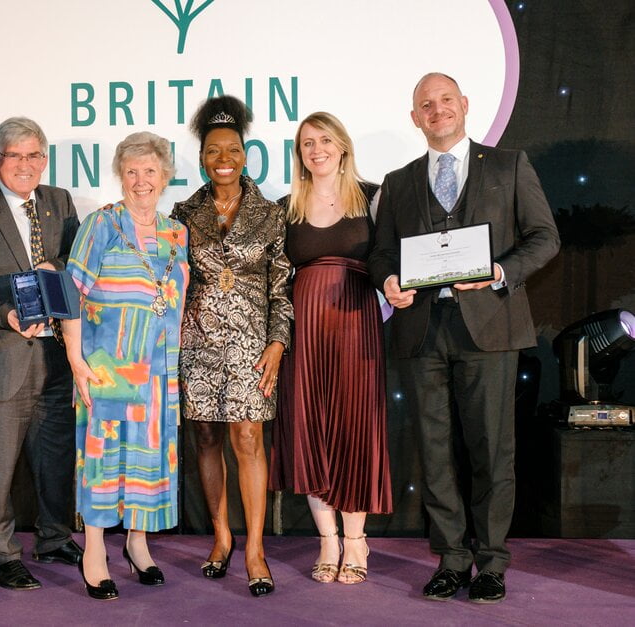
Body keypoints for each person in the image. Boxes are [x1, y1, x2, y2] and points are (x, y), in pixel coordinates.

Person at [368, 72, 560, 604]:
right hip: (423, 332)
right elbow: (382, 254)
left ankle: (493, 562)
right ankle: (451, 559)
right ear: (415, 118)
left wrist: (499, 270)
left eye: (445, 100)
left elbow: (545, 238)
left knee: (492, 451)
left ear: (465, 104)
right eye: (425, 105)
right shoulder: (399, 181)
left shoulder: (509, 165)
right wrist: (387, 281)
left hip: (490, 328)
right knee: (433, 453)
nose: (437, 110)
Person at [0, 117, 83, 592]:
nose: (25, 165)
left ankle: (53, 537)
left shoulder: (59, 202)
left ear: (44, 160)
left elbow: (80, 265)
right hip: (1, 358)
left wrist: (60, 267)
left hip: (57, 357)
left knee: (55, 460)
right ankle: (1, 554)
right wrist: (5, 314)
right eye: (15, 156)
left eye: (34, 156)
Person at [171, 95, 293, 597]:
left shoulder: (270, 214)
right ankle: (221, 536)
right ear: (202, 157)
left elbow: (282, 288)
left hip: (251, 344)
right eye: (214, 150)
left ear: (246, 155)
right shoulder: (183, 212)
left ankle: (256, 548)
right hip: (196, 342)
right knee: (204, 438)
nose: (224, 158)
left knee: (247, 439)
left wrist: (278, 344)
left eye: (233, 149)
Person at [63, 131, 189, 600]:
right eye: (132, 171)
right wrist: (76, 359)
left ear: (165, 177)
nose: (141, 181)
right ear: (120, 176)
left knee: (149, 458)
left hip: (160, 370)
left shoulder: (178, 233)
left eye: (150, 171)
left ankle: (138, 545)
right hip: (107, 364)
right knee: (101, 460)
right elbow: (71, 292)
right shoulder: (101, 224)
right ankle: (93, 549)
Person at [270, 112, 392, 585]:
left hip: (357, 328)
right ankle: (327, 540)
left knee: (354, 428)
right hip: (304, 334)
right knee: (310, 428)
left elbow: (393, 260)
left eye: (324, 140)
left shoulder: (375, 197)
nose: (316, 149)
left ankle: (357, 541)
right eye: (306, 144)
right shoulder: (287, 207)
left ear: (342, 145)